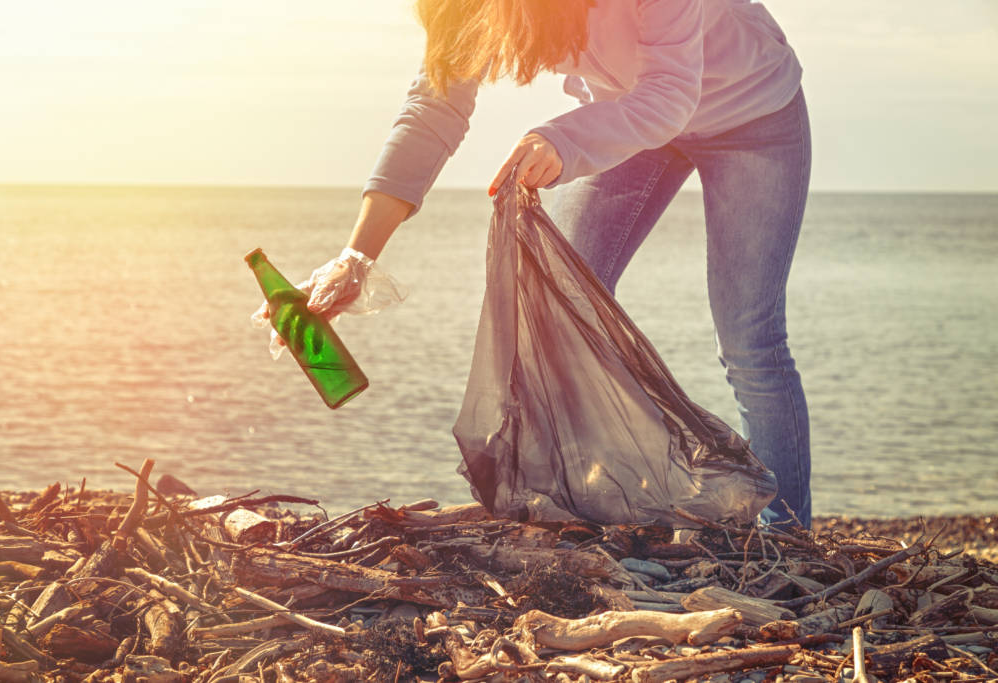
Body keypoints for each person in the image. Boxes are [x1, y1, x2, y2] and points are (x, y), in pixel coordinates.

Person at [273, 0, 813, 527]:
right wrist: (356, 257)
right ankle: (596, 501)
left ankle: (787, 531)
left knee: (750, 341)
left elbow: (670, 94)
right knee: (560, 305)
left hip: (751, 113)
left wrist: (560, 139)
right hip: (627, 114)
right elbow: (433, 108)